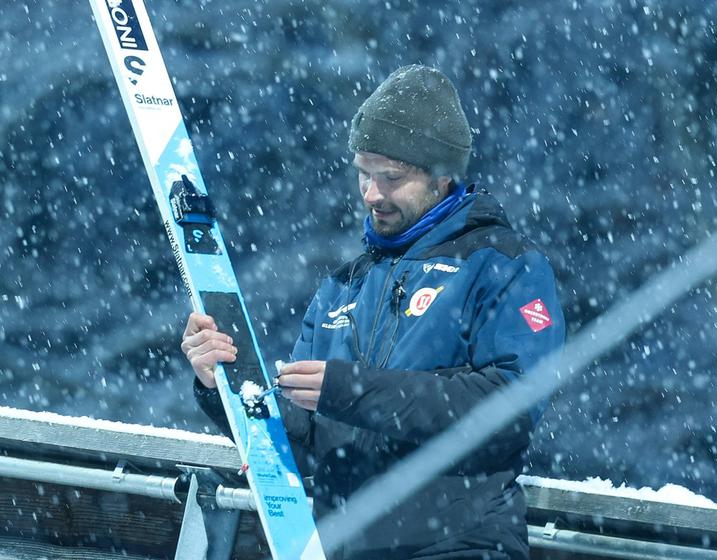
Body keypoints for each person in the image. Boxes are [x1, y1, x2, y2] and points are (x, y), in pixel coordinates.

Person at [181, 65, 565, 560]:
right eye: (364, 173)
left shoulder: (504, 265)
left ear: (443, 174)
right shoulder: (343, 286)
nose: (371, 194)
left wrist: (352, 390)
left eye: (392, 177)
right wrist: (223, 387)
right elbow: (297, 446)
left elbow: (509, 408)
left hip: (458, 548)